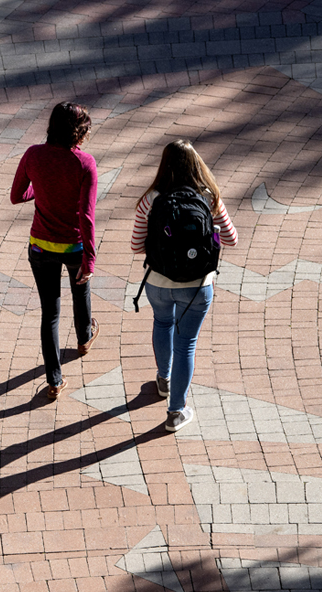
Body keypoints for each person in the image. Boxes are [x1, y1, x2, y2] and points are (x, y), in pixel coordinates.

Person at [131, 139, 238, 431]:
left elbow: (135, 245)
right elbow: (231, 238)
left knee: (162, 323)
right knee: (186, 343)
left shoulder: (151, 198)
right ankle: (176, 411)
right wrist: (209, 240)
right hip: (198, 285)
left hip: (157, 282)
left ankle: (163, 379)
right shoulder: (208, 196)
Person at [11, 102, 100, 399]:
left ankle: (54, 381)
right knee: (81, 291)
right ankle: (84, 338)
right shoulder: (85, 163)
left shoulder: (33, 154)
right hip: (75, 247)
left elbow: (17, 195)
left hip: (40, 247)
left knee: (50, 313)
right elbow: (87, 216)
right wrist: (90, 257)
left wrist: (43, 188)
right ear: (79, 133)